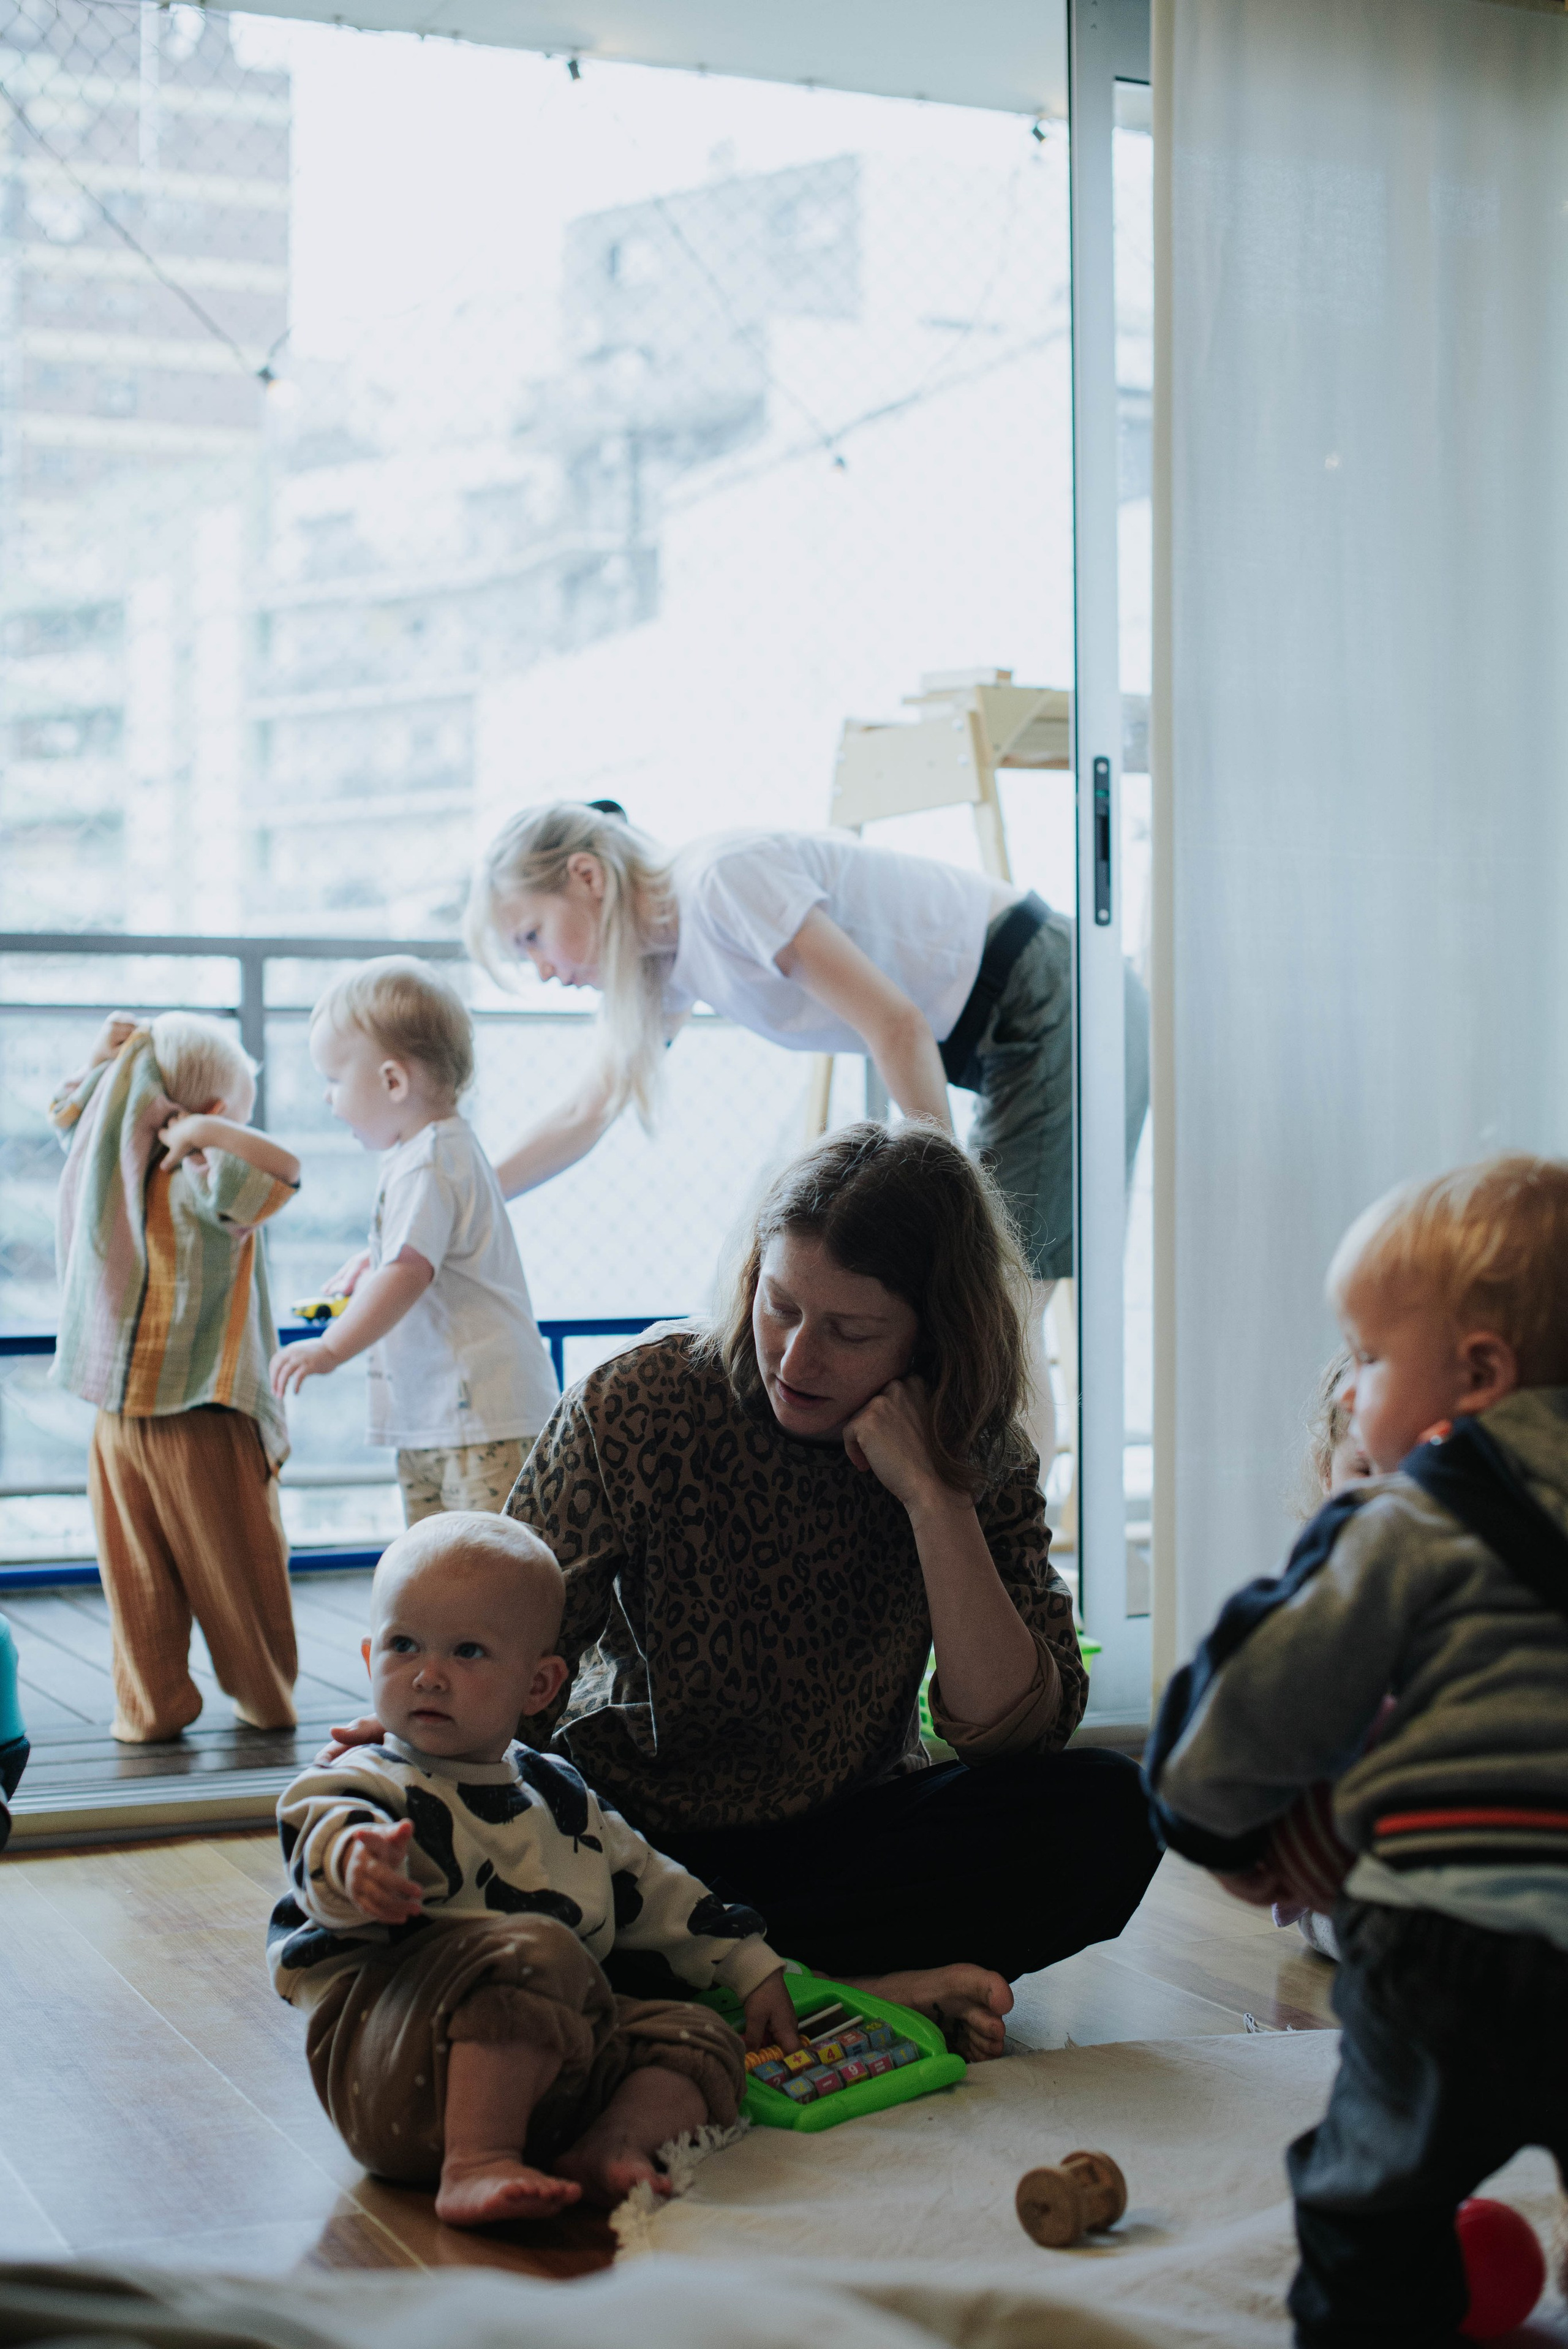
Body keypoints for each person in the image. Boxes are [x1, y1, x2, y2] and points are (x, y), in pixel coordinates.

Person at [327, 1122, 1162, 2059]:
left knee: (1112, 1813)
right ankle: (827, 1990)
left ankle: (721, 1993)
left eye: (850, 1332)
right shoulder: (639, 1402)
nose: (797, 1360)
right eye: (780, 1306)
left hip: (845, 1839)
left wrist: (934, 1496)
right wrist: (427, 1755)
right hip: (641, 1841)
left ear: (934, 1338)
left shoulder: (972, 1447)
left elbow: (1015, 1732)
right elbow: (511, 1632)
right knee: (472, 1860)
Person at [1143, 1155, 1568, 2349]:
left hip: (1446, 1943)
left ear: (1474, 1378)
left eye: (1368, 1358)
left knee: (1371, 2205)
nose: (1346, 1393)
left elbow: (1266, 1697)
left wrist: (1209, 1822)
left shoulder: (1403, 1523)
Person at [464, 800, 1150, 1474]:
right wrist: (462, 1199)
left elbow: (898, 1026)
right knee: (988, 1308)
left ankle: (1004, 1558)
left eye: (532, 937)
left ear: (587, 876)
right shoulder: (668, 954)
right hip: (1006, 1027)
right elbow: (586, 1110)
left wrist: (939, 1202)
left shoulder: (719, 881)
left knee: (996, 1307)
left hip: (1057, 996)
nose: (544, 970)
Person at [271, 1512, 794, 2224]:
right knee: (536, 1949)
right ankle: (474, 2163)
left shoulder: (558, 1792)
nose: (428, 1674)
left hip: (551, 2079)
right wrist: (353, 1867)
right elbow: (324, 1830)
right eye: (403, 1645)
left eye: (467, 1651)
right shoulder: (370, 1777)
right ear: (370, 1658)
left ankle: (606, 2146)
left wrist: (747, 1963)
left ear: (540, 1685)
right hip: (389, 2068)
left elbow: (653, 1883)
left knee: (697, 2036)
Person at [51, 1011, 302, 1743]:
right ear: (221, 1111)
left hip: (120, 1407)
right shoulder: (205, 1172)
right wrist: (211, 1135)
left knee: (137, 1575)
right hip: (202, 1405)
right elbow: (287, 1168)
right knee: (239, 1568)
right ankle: (264, 1695)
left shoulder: (110, 1163)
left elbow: (73, 1105)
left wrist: (104, 1055)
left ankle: (151, 1705)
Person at [270, 957, 557, 1524]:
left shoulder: (426, 1162)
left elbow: (407, 1272)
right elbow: (414, 1255)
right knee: (441, 1571)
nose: (328, 1098)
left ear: (393, 1081)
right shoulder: (440, 1149)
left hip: (477, 1420)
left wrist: (330, 1348)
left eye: (334, 1080)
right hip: (451, 1416)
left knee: (481, 1570)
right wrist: (374, 1261)